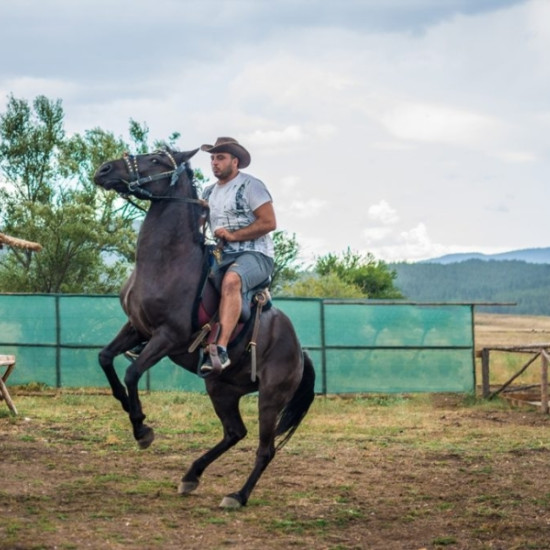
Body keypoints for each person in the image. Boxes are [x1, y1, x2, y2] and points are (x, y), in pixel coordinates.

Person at [199, 137, 276, 373]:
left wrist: (233, 235)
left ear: (235, 161)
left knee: (232, 280)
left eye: (220, 158)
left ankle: (220, 350)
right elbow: (201, 225)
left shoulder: (252, 186)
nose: (215, 163)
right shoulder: (208, 191)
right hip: (222, 254)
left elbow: (269, 222)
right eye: (212, 158)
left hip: (256, 254)